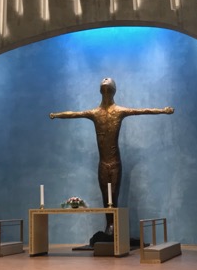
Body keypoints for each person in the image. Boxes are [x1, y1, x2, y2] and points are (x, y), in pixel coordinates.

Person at [50, 77, 174, 232]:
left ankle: (114, 226)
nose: (106, 80)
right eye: (103, 81)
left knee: (113, 195)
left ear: (114, 89)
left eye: (108, 81)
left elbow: (142, 110)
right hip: (103, 163)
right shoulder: (95, 113)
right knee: (105, 196)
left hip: (115, 162)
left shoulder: (119, 111)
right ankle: (109, 225)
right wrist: (56, 114)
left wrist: (162, 110)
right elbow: (73, 114)